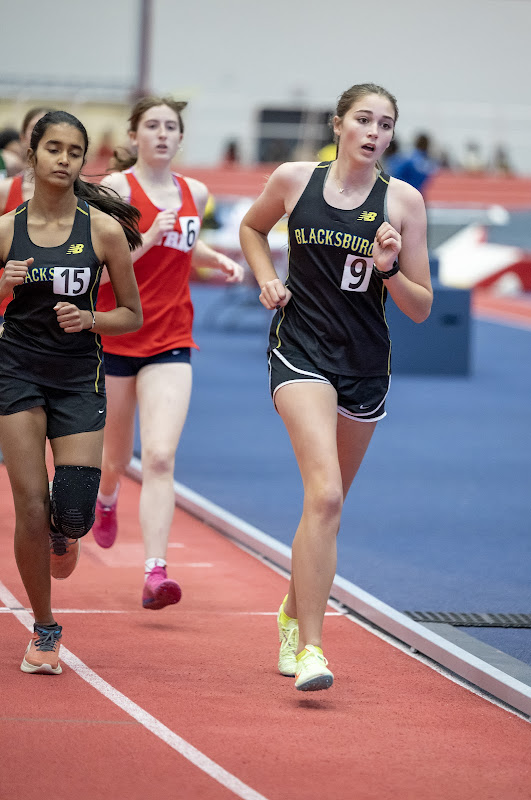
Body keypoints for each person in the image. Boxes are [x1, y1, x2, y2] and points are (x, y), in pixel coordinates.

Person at [239, 83, 432, 691]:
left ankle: (290, 611)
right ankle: (312, 650)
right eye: (364, 120)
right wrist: (266, 278)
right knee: (323, 496)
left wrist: (389, 268)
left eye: (386, 124)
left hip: (365, 362)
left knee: (329, 505)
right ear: (339, 124)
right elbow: (252, 229)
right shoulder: (294, 180)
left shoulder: (404, 202)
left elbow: (421, 307)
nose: (374, 132)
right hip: (300, 350)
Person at [0, 110, 143, 675]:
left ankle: (69, 531)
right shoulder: (6, 230)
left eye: (74, 151)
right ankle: (44, 627)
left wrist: (90, 319)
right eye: (53, 148)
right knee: (30, 506)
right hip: (16, 372)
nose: (63, 159)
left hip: (78, 375)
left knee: (73, 511)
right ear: (32, 154)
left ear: (84, 161)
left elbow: (131, 315)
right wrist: (3, 284)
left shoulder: (103, 231)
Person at [93, 96, 244, 610]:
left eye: (170, 127)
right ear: (133, 136)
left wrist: (214, 259)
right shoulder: (115, 190)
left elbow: (186, 242)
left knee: (159, 456)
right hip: (116, 336)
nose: (162, 134)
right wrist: (148, 236)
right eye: (152, 125)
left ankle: (155, 572)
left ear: (181, 138)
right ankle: (106, 498)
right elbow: (99, 270)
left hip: (171, 339)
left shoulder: (194, 192)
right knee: (114, 459)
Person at [0, 108, 54, 319]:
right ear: (23, 138)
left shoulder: (80, 195)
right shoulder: (5, 190)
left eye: (49, 128)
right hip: (7, 308)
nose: (43, 134)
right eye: (35, 128)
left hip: (55, 310)